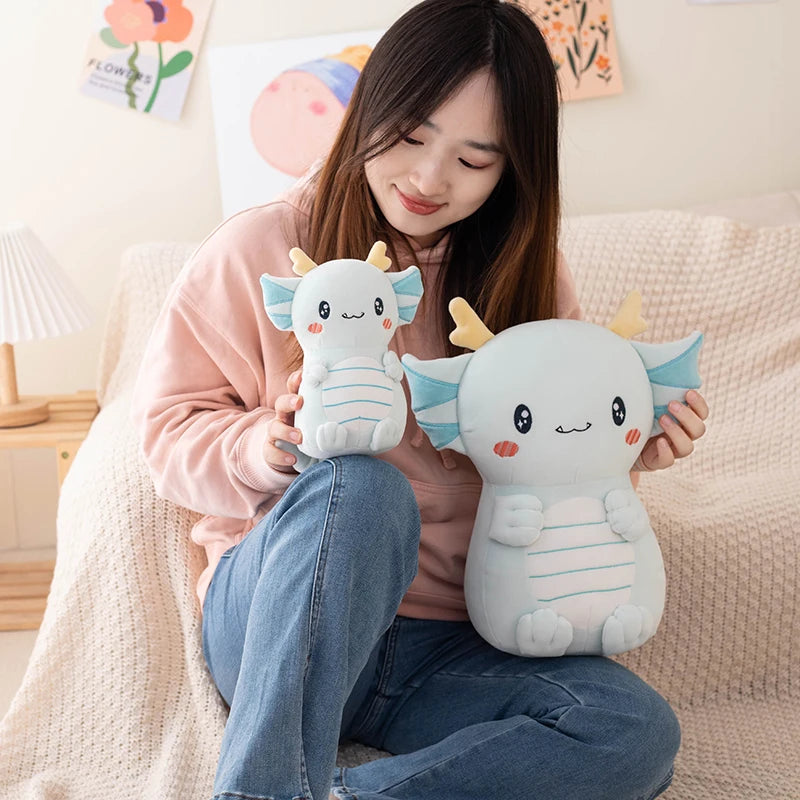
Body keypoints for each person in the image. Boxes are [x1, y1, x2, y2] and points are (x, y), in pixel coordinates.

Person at [132, 1, 709, 798]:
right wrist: (264, 444)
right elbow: (167, 432)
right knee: (360, 484)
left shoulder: (532, 280)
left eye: (476, 159)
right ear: (369, 110)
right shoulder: (256, 250)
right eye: (409, 137)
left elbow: (553, 464)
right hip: (288, 621)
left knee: (631, 731)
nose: (430, 179)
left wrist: (623, 446)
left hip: (458, 643)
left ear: (515, 168)